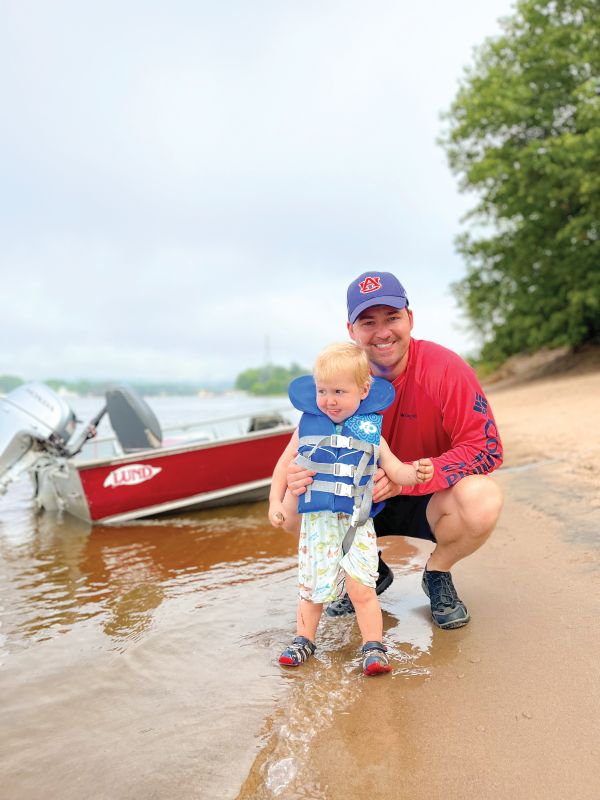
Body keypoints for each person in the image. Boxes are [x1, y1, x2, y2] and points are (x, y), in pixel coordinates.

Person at [279, 271, 504, 630]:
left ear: (410, 319)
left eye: (393, 318)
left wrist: (409, 477)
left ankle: (438, 573)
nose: (382, 332)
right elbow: (305, 445)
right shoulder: (339, 378)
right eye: (368, 322)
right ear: (351, 330)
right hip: (357, 501)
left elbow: (487, 449)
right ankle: (367, 569)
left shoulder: (445, 368)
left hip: (428, 493)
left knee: (483, 498)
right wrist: (298, 473)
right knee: (291, 504)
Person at [269, 342, 434, 675]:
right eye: (322, 391)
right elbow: (282, 467)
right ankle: (304, 639)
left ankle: (373, 645)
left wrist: (415, 473)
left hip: (356, 523)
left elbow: (395, 469)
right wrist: (275, 501)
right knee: (312, 588)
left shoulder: (370, 431)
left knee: (362, 588)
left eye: (339, 391)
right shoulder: (306, 426)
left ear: (364, 390)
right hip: (317, 524)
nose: (329, 400)